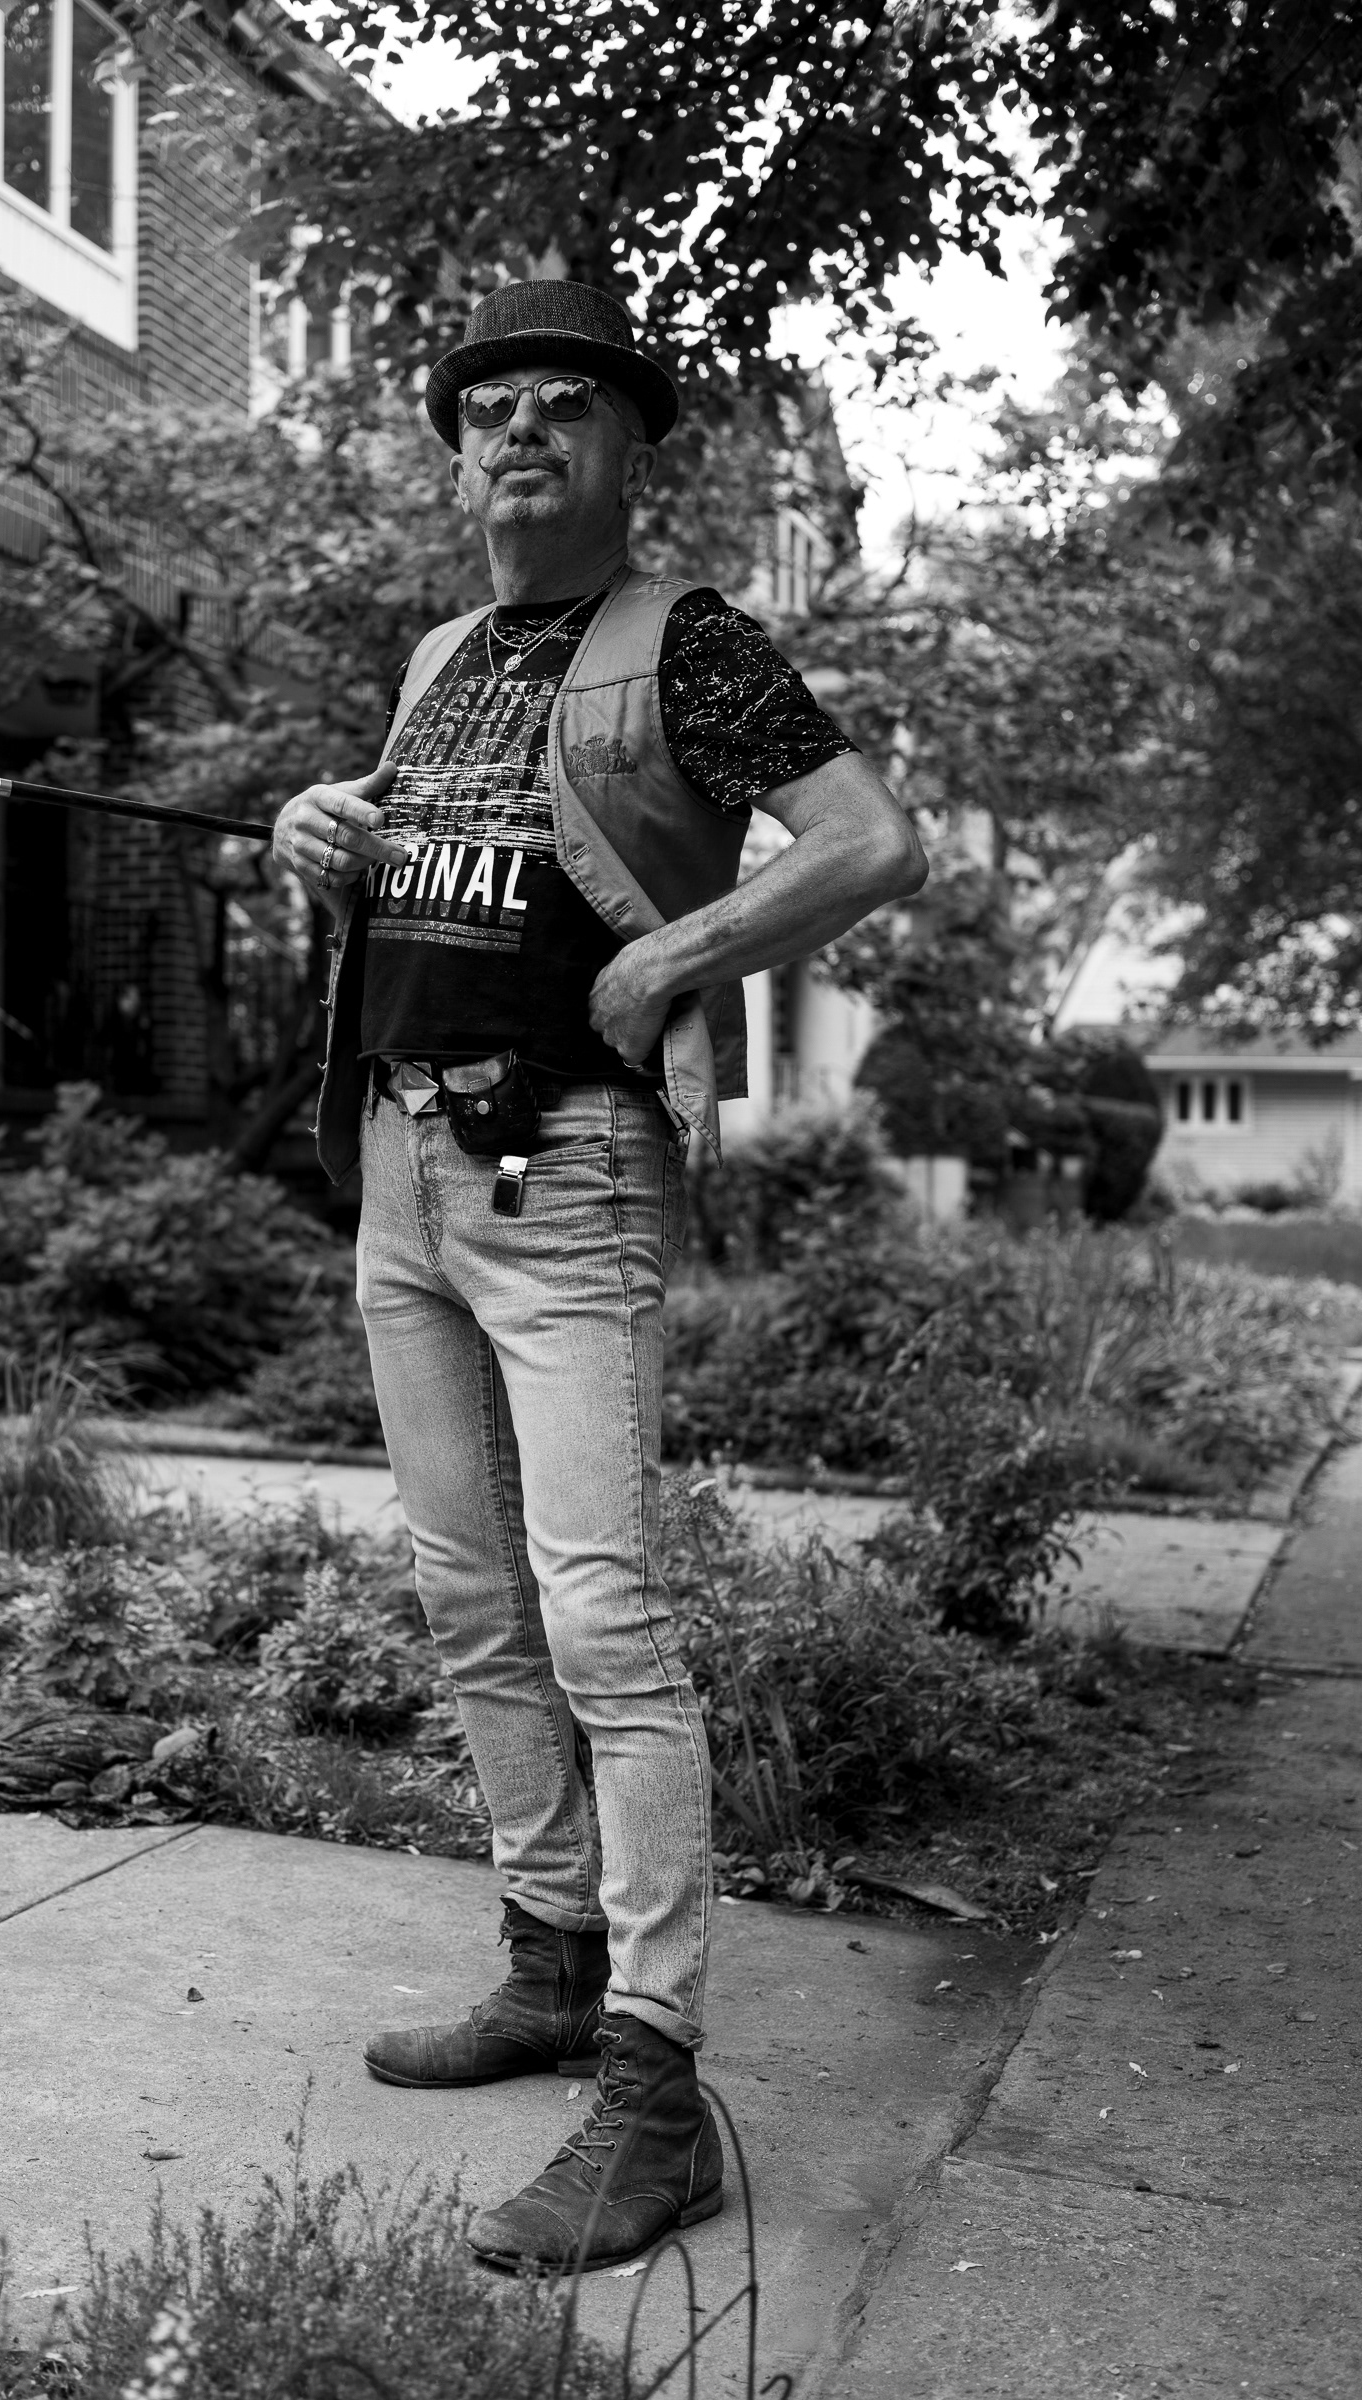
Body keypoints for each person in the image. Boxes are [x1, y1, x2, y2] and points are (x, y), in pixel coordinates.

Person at [272, 280, 926, 2273]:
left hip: (565, 1170)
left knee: (605, 1623)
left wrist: (676, 958)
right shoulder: (440, 656)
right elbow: (437, 864)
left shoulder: (690, 641)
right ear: (459, 457)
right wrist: (321, 833)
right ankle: (550, 1958)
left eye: (566, 405)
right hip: (406, 1166)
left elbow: (870, 842)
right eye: (490, 410)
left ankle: (654, 2090)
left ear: (631, 450)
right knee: (469, 1601)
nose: (521, 435)